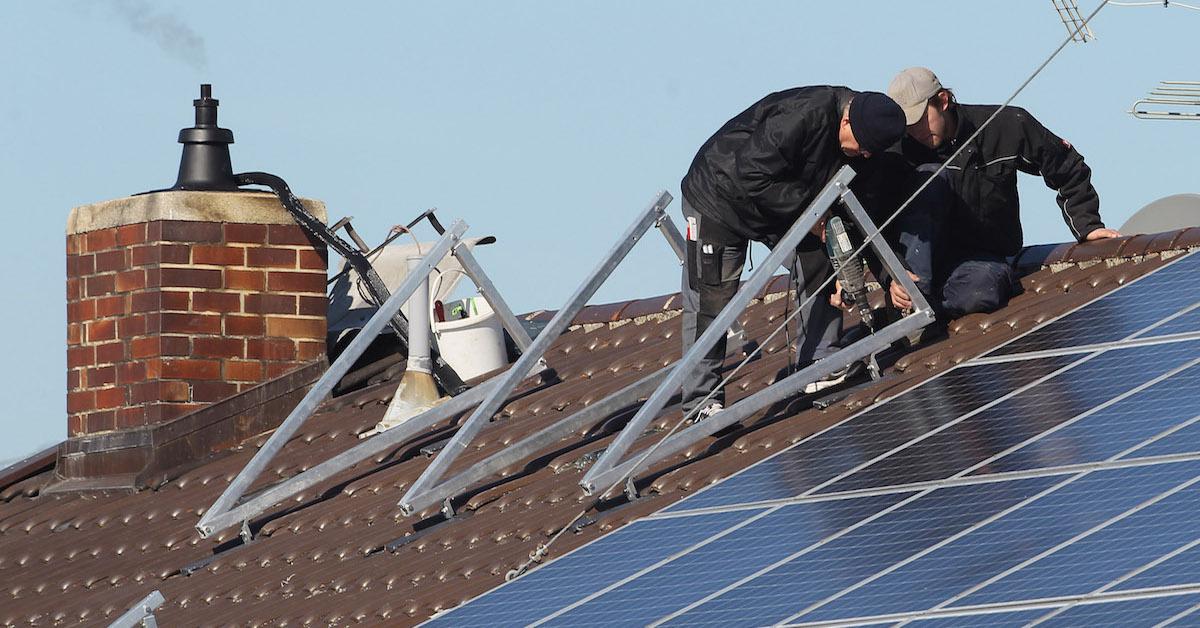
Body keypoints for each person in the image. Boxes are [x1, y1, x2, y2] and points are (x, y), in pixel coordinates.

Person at [679, 87, 906, 420]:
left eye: (872, 151)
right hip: (718, 198)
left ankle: (818, 361)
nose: (865, 156)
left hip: (776, 203)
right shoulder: (802, 117)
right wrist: (814, 215)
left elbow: (861, 216)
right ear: (845, 120)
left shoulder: (866, 141)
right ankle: (701, 403)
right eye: (863, 147)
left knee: (823, 251)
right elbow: (750, 174)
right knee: (710, 300)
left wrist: (883, 276)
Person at [885, 67, 1120, 322]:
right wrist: (893, 274)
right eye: (907, 126)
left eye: (920, 120)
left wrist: (1087, 224)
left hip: (981, 260)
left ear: (942, 101)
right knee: (929, 178)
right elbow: (875, 215)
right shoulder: (899, 150)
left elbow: (1066, 165)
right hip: (920, 263)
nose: (915, 131)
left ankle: (930, 308)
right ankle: (915, 301)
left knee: (981, 292)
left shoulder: (1004, 126)